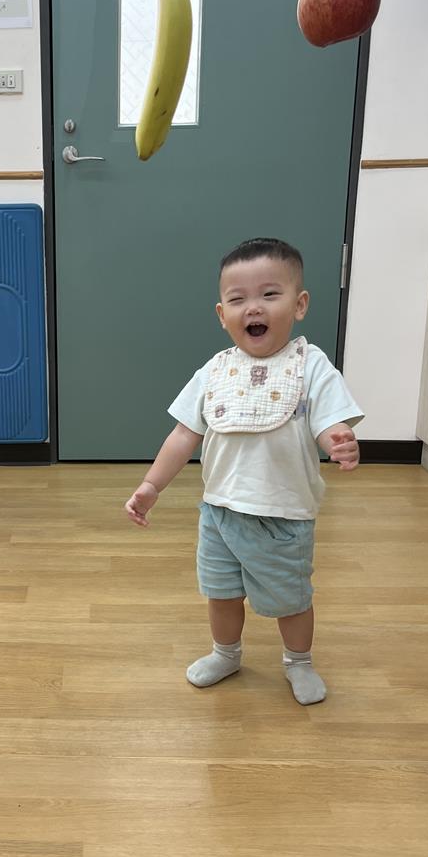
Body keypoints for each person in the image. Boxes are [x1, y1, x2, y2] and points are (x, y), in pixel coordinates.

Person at [124, 237, 363, 705]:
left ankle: (298, 661)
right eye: (238, 299)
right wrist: (152, 485)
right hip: (218, 513)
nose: (253, 307)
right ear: (222, 314)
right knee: (221, 593)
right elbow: (183, 434)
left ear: (299, 305)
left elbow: (328, 419)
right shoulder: (215, 371)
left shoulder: (309, 366)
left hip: (283, 517)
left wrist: (337, 439)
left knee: (291, 599)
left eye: (270, 294)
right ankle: (226, 653)